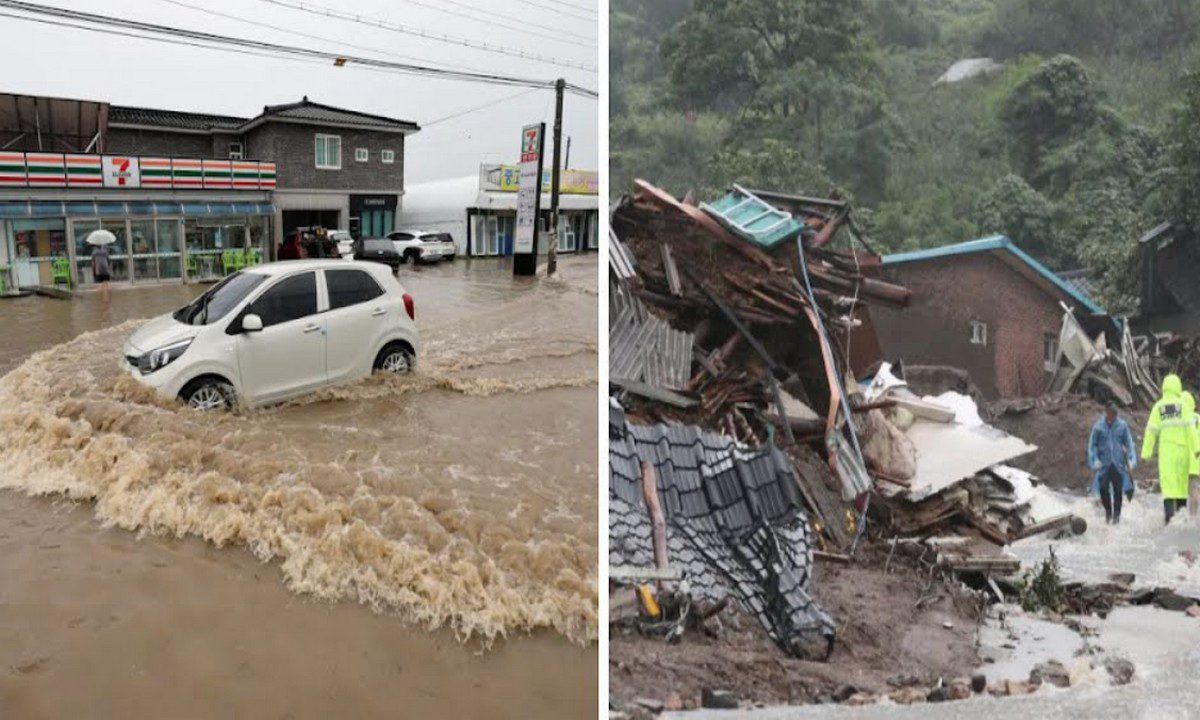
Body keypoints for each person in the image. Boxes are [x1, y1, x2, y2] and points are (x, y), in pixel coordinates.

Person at [1142, 374, 1199, 524]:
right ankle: (1182, 519)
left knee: (1168, 486)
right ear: (1178, 387)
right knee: (1181, 485)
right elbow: (1191, 430)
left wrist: (1146, 453)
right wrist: (1196, 448)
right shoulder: (1184, 407)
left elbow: (1151, 431)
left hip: (1166, 453)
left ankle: (1169, 519)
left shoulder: (1159, 407)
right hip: (1183, 452)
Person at [1089, 403, 1136, 523]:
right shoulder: (1098, 427)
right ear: (1106, 413)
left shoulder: (1122, 426)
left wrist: (1131, 460)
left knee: (1118, 490)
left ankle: (1116, 517)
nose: (1113, 416)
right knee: (1103, 488)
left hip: (1118, 464)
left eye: (1115, 414)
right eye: (1110, 413)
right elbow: (1092, 445)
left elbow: (1129, 444)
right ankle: (1108, 512)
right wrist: (1094, 459)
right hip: (1104, 465)